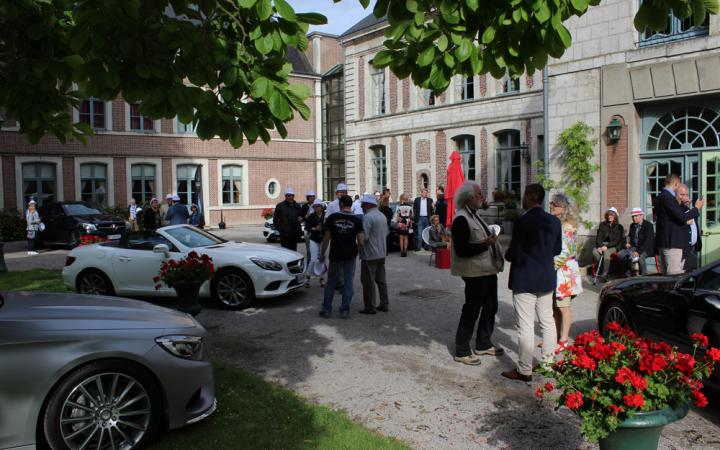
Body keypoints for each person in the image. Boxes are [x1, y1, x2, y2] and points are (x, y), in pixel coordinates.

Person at [502, 183, 561, 382]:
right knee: (547, 322)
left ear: (529, 196)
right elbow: (557, 250)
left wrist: (506, 255)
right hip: (546, 276)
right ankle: (548, 363)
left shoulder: (522, 221)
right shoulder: (554, 221)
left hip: (525, 277)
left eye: (524, 195)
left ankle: (524, 369)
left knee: (525, 325)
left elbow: (514, 251)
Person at [450, 181, 505, 365]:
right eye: (479, 194)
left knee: (491, 306)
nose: (482, 197)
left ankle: (483, 343)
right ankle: (462, 349)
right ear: (469, 198)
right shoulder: (461, 219)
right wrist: (485, 244)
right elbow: (462, 250)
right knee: (472, 309)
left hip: (487, 270)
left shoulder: (474, 215)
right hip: (474, 272)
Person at [319, 195, 365, 319]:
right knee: (348, 282)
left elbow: (327, 238)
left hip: (336, 254)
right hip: (350, 255)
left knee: (331, 282)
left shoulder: (333, 218)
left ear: (342, 204)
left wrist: (322, 253)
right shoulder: (357, 220)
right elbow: (361, 241)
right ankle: (345, 310)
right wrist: (361, 253)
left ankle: (326, 309)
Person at [549, 194, 582, 351]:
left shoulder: (567, 227)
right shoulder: (558, 224)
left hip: (564, 272)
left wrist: (550, 266)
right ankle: (554, 337)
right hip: (559, 270)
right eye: (551, 204)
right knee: (555, 306)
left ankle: (563, 340)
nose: (551, 206)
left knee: (563, 307)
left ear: (563, 209)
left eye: (555, 205)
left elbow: (566, 252)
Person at [655, 174, 703, 275]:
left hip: (664, 242)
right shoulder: (667, 197)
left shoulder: (660, 196)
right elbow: (682, 217)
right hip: (672, 243)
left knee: (666, 277)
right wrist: (697, 208)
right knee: (674, 276)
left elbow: (671, 217)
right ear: (676, 184)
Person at [359, 194, 390, 314]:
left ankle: (370, 307)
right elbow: (386, 233)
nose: (361, 206)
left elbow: (364, 238)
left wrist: (358, 247)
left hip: (370, 254)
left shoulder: (367, 217)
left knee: (368, 281)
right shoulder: (382, 216)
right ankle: (384, 303)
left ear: (367, 204)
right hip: (381, 253)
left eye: (362, 204)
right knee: (381, 280)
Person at [618, 208, 655, 276]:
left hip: (646, 248)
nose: (634, 218)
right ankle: (628, 275)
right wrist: (628, 243)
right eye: (633, 216)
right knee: (621, 254)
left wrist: (638, 251)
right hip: (634, 247)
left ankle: (644, 277)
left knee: (640, 257)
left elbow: (648, 241)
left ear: (641, 216)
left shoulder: (648, 225)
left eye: (636, 216)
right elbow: (630, 237)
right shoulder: (632, 225)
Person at [591, 207, 624, 283]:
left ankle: (605, 273)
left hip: (613, 246)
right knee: (595, 252)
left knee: (606, 252)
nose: (610, 217)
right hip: (602, 245)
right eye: (609, 215)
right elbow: (599, 237)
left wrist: (607, 246)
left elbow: (617, 241)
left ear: (615, 216)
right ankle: (604, 267)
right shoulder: (603, 225)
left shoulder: (619, 227)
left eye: (612, 215)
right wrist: (599, 246)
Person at [678, 184, 702, 272]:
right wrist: (695, 207)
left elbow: (695, 228)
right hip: (683, 248)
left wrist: (698, 244)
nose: (685, 197)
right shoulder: (678, 209)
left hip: (692, 247)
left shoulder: (690, 211)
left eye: (686, 195)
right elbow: (681, 217)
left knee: (693, 269)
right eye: (682, 195)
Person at [304, 198, 325, 288]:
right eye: (315, 206)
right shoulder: (312, 216)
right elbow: (307, 227)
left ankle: (322, 278)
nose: (316, 208)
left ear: (322, 207)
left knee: (322, 259)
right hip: (314, 239)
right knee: (313, 259)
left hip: (324, 240)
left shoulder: (326, 216)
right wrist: (314, 229)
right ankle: (307, 277)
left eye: (318, 206)